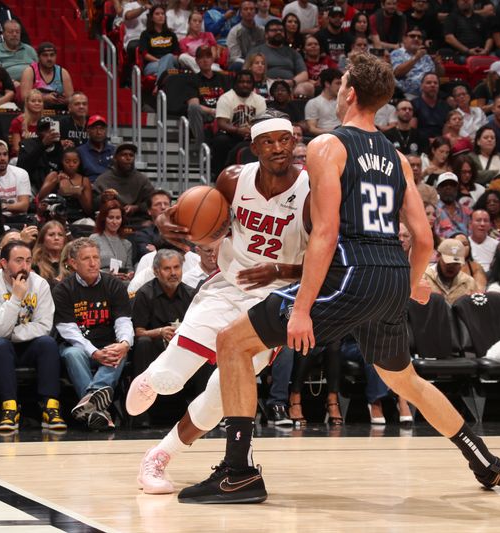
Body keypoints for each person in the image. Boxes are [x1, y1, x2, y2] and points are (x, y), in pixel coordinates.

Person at [178, 53, 500, 504]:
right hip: (390, 275)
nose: (338, 90)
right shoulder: (398, 158)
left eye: (340, 84)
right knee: (404, 378)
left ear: (350, 93)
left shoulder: (328, 146)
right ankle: (486, 462)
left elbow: (326, 231)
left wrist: (302, 309)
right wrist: (406, 286)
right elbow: (422, 238)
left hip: (350, 274)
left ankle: (238, 473)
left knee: (232, 343)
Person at [124, 112, 311, 495]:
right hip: (227, 285)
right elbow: (187, 215)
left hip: (272, 303)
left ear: (294, 142)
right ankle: (153, 377)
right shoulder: (232, 179)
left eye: (285, 139)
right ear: (254, 147)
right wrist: (165, 222)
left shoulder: (312, 192)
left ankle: (158, 456)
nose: (278, 148)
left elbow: (326, 260)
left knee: (217, 402)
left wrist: (281, 269)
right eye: (269, 141)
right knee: (172, 379)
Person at [0, 240, 66, 432]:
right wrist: (16, 297)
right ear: (3, 263)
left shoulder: (40, 284)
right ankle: (9, 408)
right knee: (0, 344)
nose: (24, 266)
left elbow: (44, 326)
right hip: (2, 349)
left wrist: (13, 333)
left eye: (28, 260)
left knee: (48, 343)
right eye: (18, 260)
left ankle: (50, 407)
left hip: (29, 345)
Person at [54, 238, 134, 430]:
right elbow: (70, 332)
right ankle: (99, 408)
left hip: (108, 346)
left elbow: (123, 321)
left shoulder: (114, 285)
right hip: (80, 348)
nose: (93, 263)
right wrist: (94, 352)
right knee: (72, 353)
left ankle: (91, 400)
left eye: (96, 258)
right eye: (86, 258)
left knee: (119, 351)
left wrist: (124, 343)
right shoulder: (63, 289)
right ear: (73, 263)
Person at [131, 248, 196, 425]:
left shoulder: (191, 295)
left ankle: (199, 412)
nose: (173, 273)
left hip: (183, 350)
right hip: (155, 350)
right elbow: (138, 332)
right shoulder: (145, 294)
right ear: (156, 271)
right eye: (167, 269)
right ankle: (141, 412)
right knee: (143, 343)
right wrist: (160, 332)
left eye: (177, 267)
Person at [212, 70, 266, 172]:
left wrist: (251, 132)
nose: (245, 85)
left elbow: (261, 122)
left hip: (251, 135)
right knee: (220, 141)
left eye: (248, 82)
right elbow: (221, 123)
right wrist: (238, 131)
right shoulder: (226, 98)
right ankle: (220, 174)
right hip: (230, 134)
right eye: (241, 82)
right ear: (235, 84)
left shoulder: (259, 100)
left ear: (253, 85)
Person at [93, 143, 156, 227]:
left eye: (131, 155)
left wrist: (137, 207)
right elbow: (92, 205)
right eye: (124, 155)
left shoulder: (142, 179)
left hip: (137, 220)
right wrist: (103, 199)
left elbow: (152, 201)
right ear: (115, 158)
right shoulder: (103, 179)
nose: (128, 158)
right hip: (111, 220)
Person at [248, 19, 314, 98]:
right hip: (265, 85)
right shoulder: (257, 50)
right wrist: (270, 81)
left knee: (308, 87)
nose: (278, 32)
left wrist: (292, 82)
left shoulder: (292, 52)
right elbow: (246, 70)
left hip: (289, 86)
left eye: (281, 30)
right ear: (266, 34)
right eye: (274, 30)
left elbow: (304, 74)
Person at [19, 42, 74, 111]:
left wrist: (62, 99)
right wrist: (45, 98)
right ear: (38, 57)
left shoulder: (63, 73)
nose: (49, 58)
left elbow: (71, 99)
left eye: (52, 55)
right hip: (35, 111)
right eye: (45, 55)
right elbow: (24, 98)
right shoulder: (30, 71)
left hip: (58, 111)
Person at [89, 200, 134, 281]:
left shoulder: (127, 244)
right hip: (100, 282)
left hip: (121, 284)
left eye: (118, 218)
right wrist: (107, 275)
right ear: (104, 219)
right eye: (111, 217)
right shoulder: (94, 239)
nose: (114, 222)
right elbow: (89, 266)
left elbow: (129, 268)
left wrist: (130, 274)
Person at [424, 237, 478, 304]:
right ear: (438, 256)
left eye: (456, 264)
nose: (452, 267)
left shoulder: (469, 283)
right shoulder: (423, 278)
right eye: (448, 263)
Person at [391, 28, 437, 100]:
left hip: (427, 95)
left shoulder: (426, 56)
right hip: (406, 95)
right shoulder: (397, 53)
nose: (416, 39)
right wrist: (416, 57)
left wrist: (437, 63)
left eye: (419, 37)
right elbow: (397, 73)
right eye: (412, 36)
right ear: (404, 39)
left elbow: (436, 75)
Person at [139, 5, 180, 83]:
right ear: (151, 18)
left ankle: (158, 84)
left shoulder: (171, 34)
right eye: (157, 14)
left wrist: (167, 60)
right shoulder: (145, 34)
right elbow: (145, 54)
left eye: (162, 14)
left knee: (169, 57)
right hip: (153, 65)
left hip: (169, 64)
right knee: (173, 71)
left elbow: (176, 54)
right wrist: (162, 61)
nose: (161, 16)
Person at [77, 115, 116, 182]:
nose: (99, 132)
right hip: (89, 187)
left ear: (106, 130)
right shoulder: (79, 151)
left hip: (110, 186)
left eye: (102, 128)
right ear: (88, 130)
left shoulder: (114, 150)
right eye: (95, 128)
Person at [304, 68, 342, 136]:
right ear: (327, 84)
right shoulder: (313, 103)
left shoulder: (344, 101)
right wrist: (333, 132)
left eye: (341, 84)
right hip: (324, 138)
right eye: (338, 83)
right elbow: (312, 128)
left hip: (343, 135)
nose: (340, 87)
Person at [227, 0, 265, 69]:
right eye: (245, 9)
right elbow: (234, 57)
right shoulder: (234, 31)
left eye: (251, 9)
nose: (249, 11)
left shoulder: (262, 30)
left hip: (260, 63)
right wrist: (250, 65)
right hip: (242, 64)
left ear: (255, 12)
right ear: (241, 13)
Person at [413, 72, 450, 141]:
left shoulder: (445, 106)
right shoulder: (414, 104)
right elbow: (412, 131)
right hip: (420, 142)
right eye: (429, 83)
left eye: (435, 83)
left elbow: (447, 131)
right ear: (421, 86)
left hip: (440, 144)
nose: (432, 85)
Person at [434, 171, 471, 238]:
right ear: (438, 189)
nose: (448, 187)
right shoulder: (433, 210)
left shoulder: (467, 211)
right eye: (444, 185)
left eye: (452, 185)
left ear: (457, 189)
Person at [32, 220, 67, 286]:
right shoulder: (35, 264)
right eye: (51, 235)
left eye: (60, 235)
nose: (56, 238)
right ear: (42, 239)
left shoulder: (69, 262)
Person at [469, 209, 498, 274]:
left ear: (490, 225)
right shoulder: (465, 244)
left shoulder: (497, 245)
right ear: (470, 224)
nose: (482, 224)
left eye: (486, 221)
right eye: (478, 220)